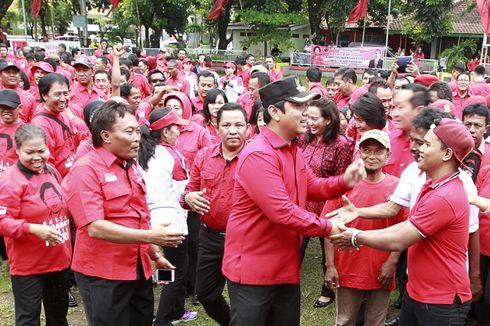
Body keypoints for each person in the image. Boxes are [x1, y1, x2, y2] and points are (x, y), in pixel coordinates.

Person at [221, 76, 366, 326]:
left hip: (284, 267)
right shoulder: (259, 154)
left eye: (306, 106)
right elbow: (282, 212)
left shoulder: (292, 149)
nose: (306, 113)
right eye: (298, 106)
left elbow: (312, 186)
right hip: (254, 272)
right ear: (275, 112)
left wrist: (345, 181)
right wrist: (330, 228)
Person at [330, 118, 474, 326]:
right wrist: (357, 227)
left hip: (441, 303)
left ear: (447, 154)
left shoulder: (445, 196)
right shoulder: (432, 186)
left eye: (427, 144)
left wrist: (355, 237)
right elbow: (406, 226)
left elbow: (400, 239)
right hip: (419, 294)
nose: (418, 149)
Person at [62, 101, 185, 326]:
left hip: (138, 268)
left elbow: (140, 216)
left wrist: (155, 255)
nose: (137, 137)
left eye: (138, 130)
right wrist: (150, 237)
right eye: (129, 131)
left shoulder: (131, 166)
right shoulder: (85, 170)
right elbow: (95, 227)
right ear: (106, 136)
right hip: (103, 272)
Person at [324, 130, 408, 326]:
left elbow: (402, 229)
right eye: (366, 150)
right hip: (348, 267)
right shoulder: (344, 184)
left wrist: (391, 262)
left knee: (375, 321)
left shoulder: (398, 188)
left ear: (388, 155)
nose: (371, 156)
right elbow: (328, 228)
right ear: (358, 152)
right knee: (345, 320)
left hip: (381, 268)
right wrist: (330, 265)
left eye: (378, 151)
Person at [181, 103, 249, 326]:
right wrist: (188, 198)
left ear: (247, 128)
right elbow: (189, 191)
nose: (233, 130)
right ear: (216, 127)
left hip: (245, 241)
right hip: (209, 237)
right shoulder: (203, 156)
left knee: (243, 300)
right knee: (206, 293)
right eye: (226, 125)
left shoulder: (256, 158)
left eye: (239, 125)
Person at [0, 124, 72, 326]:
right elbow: (2, 222)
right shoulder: (10, 180)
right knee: (28, 319)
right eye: (29, 152)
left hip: (58, 259)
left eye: (41, 151)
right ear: (17, 151)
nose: (37, 157)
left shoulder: (51, 171)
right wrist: (32, 229)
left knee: (58, 316)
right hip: (28, 266)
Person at [138, 108, 199, 324]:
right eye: (176, 128)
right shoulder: (172, 156)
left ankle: (175, 311)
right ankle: (163, 320)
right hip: (171, 218)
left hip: (149, 217)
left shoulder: (143, 152)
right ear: (165, 132)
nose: (179, 132)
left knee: (167, 267)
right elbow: (184, 191)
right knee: (177, 272)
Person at [299, 98, 352, 309]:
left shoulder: (341, 144)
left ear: (328, 120)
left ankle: (328, 289)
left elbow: (341, 180)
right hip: (303, 203)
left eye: (314, 118)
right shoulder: (305, 140)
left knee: (328, 251)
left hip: (328, 205)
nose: (309, 123)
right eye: (307, 118)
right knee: (296, 248)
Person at [31, 73, 89, 178]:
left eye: (65, 93)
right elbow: (46, 164)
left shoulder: (62, 114)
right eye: (58, 94)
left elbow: (75, 137)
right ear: (44, 95)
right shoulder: (41, 124)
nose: (63, 99)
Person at [0, 89, 23, 174]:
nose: (6, 110)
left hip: (15, 181)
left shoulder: (26, 132)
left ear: (20, 108)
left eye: (10, 107)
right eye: (2, 107)